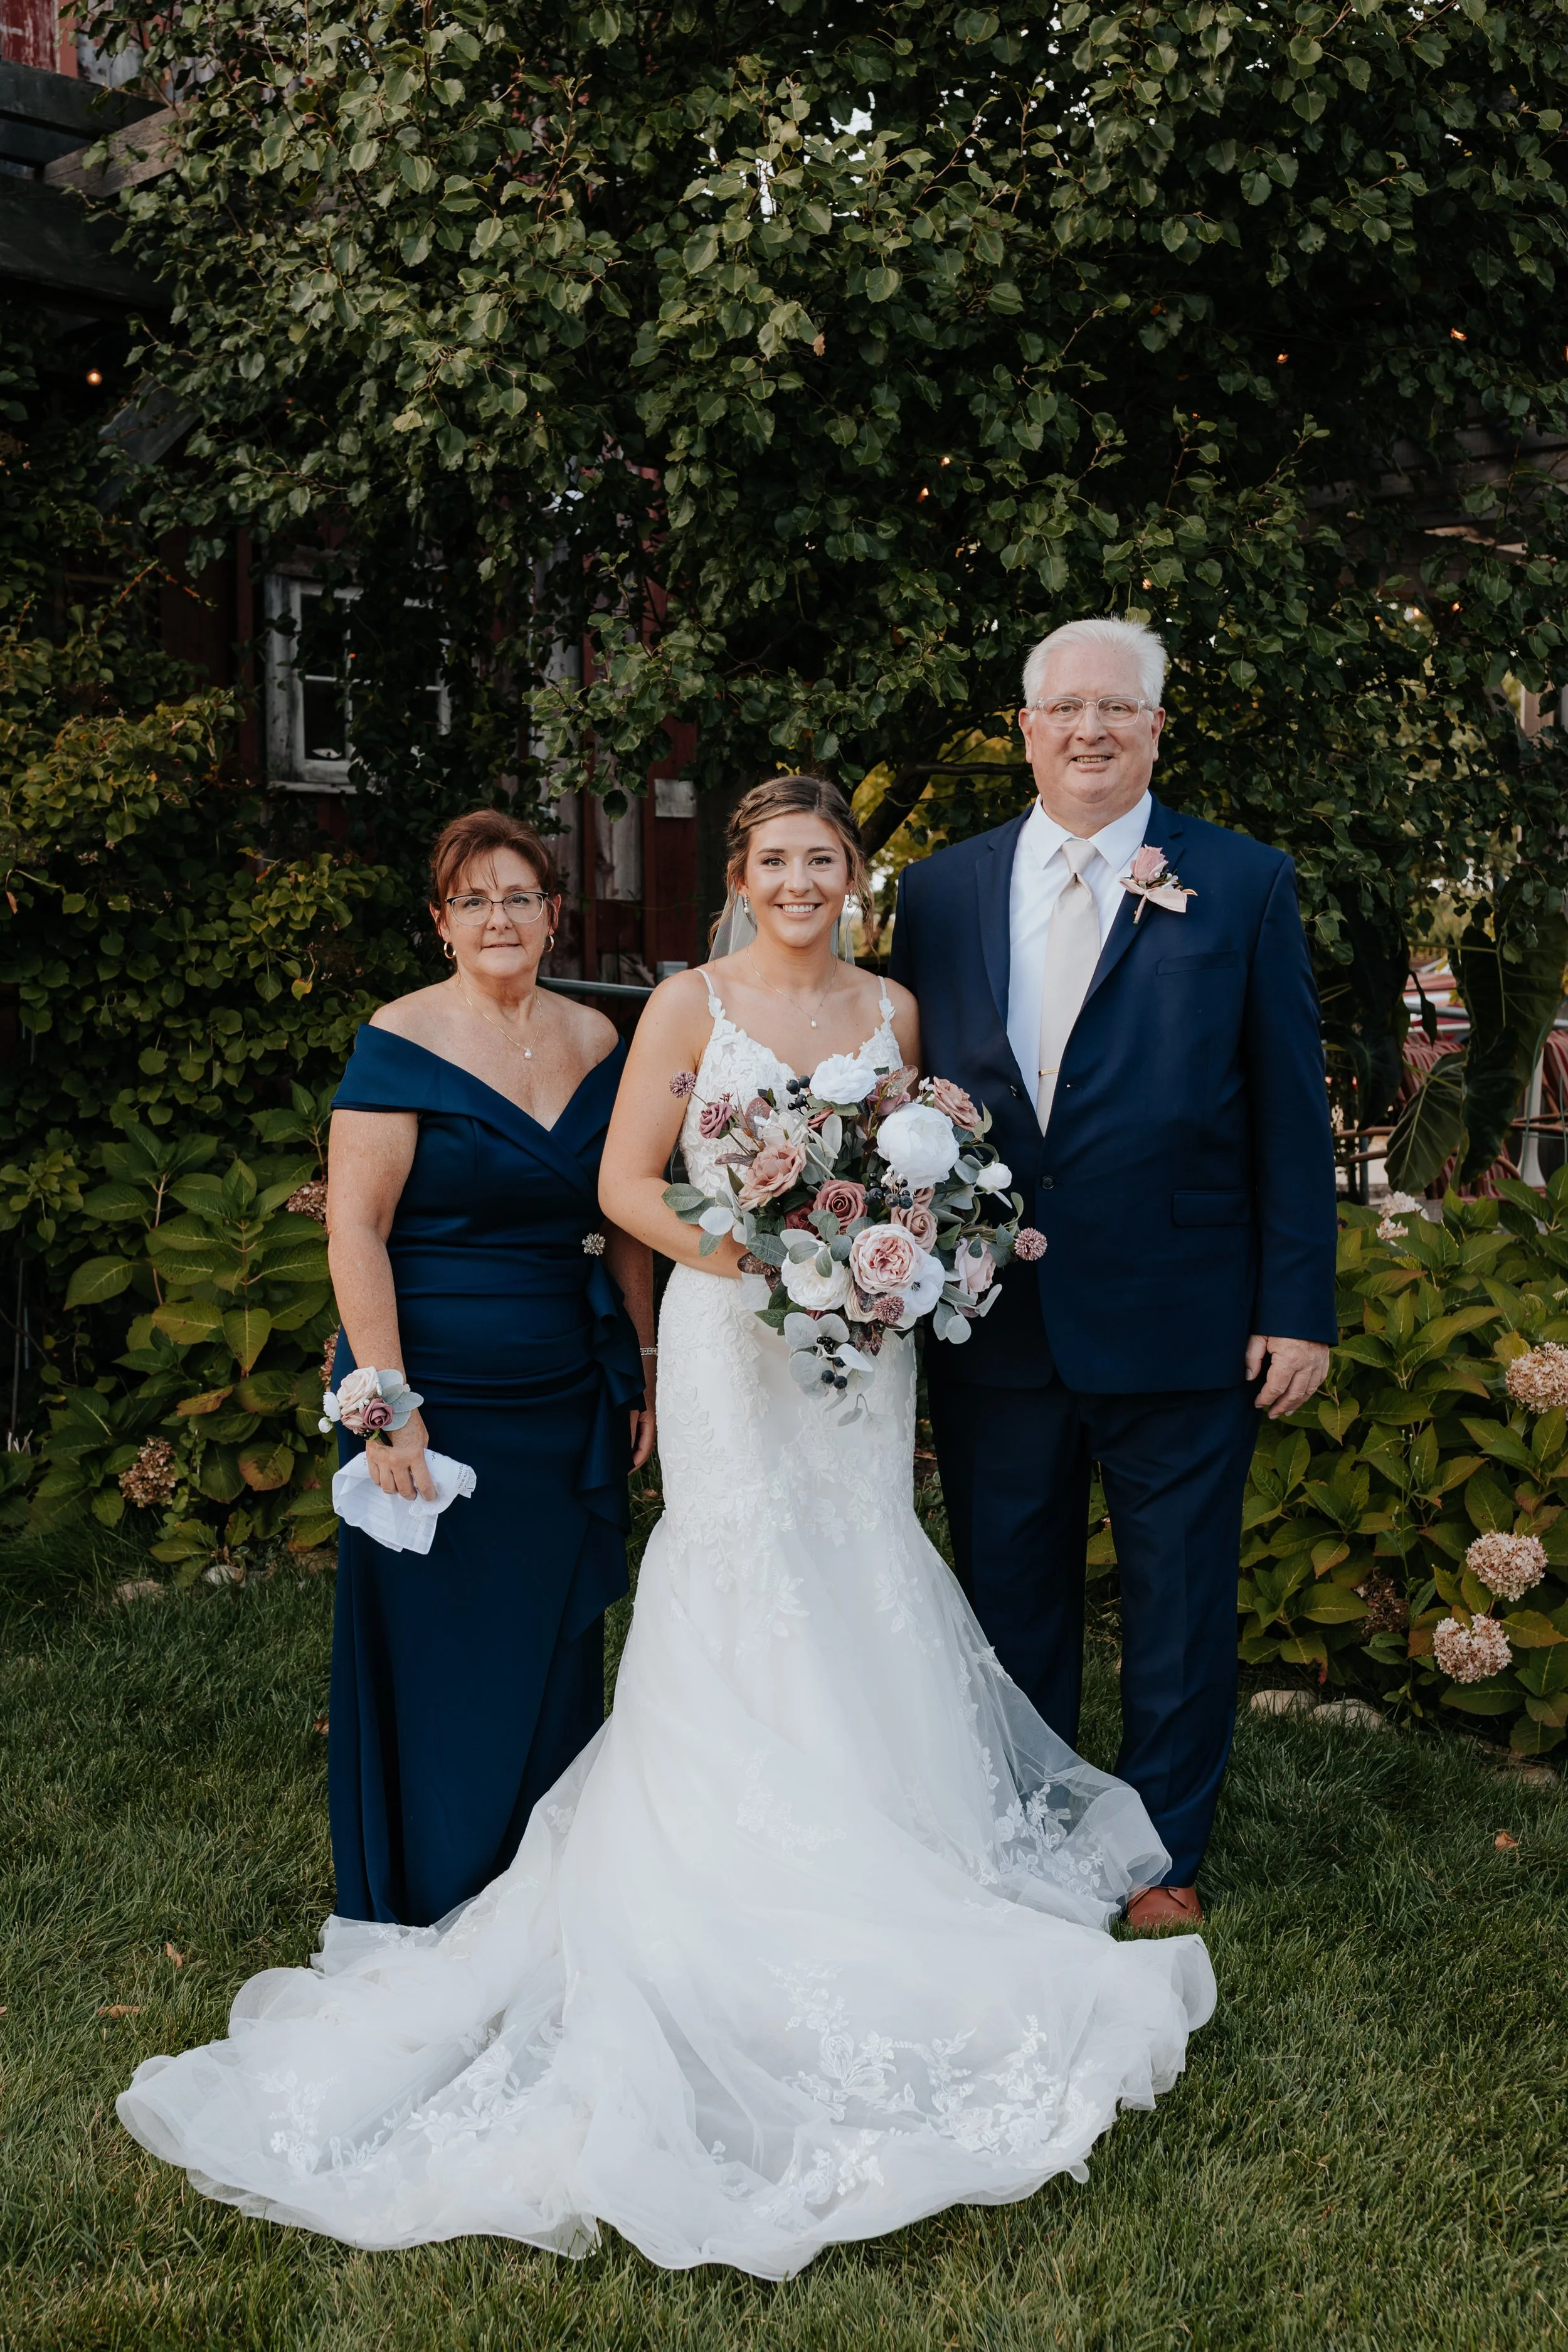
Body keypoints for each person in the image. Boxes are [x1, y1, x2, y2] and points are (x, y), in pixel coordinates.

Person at [117, 774, 1212, 2279]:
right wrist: (772, 1259)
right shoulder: (683, 1006)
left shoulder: (894, 1012)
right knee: (734, 1572)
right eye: (773, 860)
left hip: (855, 1350)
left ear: (853, 875)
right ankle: (704, 1869)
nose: (798, 880)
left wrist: (887, 1262)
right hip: (734, 1329)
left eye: (822, 859)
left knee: (862, 1565)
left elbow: (925, 1165)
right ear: (741, 877)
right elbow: (627, 1185)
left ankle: (885, 1843)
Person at [889, 615, 1338, 1933]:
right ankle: (1024, 1830)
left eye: (1117, 709)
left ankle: (1157, 1858)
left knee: (1179, 1599)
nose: (1089, 730)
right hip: (992, 1315)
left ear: (1154, 728)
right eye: (1064, 709)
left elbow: (1288, 1112)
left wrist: (1292, 1307)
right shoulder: (938, 890)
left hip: (1183, 1307)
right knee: (1005, 1584)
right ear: (1021, 730)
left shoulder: (1242, 883)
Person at [317, 807, 652, 1927]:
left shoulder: (600, 1041)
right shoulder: (400, 1041)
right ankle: (433, 1892)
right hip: (437, 1394)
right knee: (439, 1650)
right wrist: (390, 1407)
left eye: (520, 896)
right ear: (440, 923)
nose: (499, 917)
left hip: (563, 1386)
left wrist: (643, 1361)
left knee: (552, 1653)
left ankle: (540, 1898)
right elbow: (355, 1229)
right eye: (475, 899)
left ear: (555, 916)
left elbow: (626, 1218)